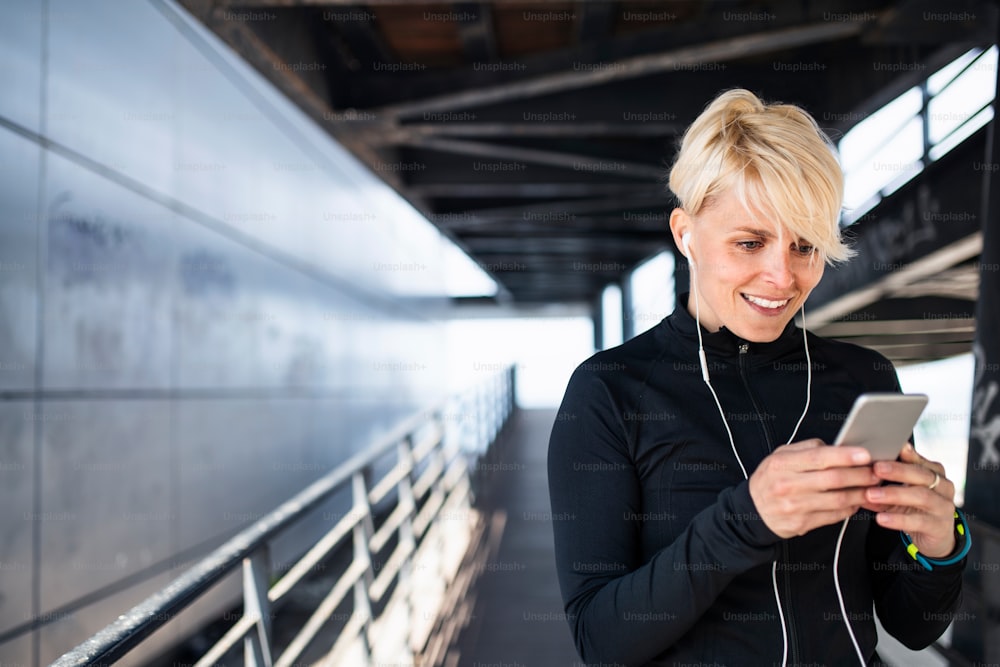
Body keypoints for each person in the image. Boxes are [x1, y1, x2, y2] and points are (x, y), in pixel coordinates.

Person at [547, 89, 968, 667]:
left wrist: (940, 544)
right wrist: (744, 520)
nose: (782, 277)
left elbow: (913, 626)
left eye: (805, 246)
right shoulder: (611, 391)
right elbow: (600, 641)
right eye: (749, 242)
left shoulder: (863, 376)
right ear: (685, 232)